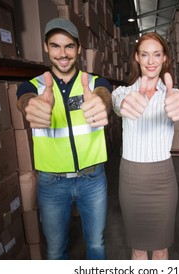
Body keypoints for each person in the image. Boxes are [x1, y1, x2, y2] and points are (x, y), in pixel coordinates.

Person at [16, 18, 112, 260]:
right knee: (56, 250)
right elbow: (25, 101)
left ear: (78, 49)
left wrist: (102, 102)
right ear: (46, 47)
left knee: (96, 244)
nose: (63, 53)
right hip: (52, 183)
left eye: (69, 46)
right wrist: (31, 106)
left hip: (92, 179)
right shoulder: (33, 87)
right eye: (55, 46)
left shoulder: (94, 82)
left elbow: (104, 95)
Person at [112, 32, 179, 260]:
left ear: (165, 57)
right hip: (131, 179)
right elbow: (117, 104)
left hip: (162, 180)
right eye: (144, 54)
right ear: (136, 57)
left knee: (161, 248)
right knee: (137, 248)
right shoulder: (123, 93)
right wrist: (125, 104)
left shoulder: (175, 95)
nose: (151, 61)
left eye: (157, 54)